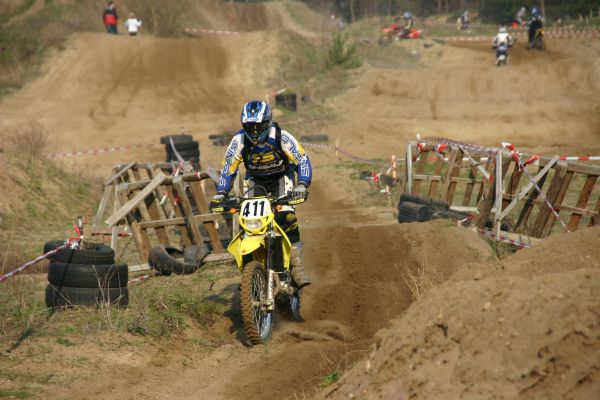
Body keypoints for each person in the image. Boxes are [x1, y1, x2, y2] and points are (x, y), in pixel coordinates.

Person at [210, 100, 313, 288]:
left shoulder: (281, 136)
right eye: (251, 127)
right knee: (249, 223)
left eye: (259, 126)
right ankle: (251, 273)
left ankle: (297, 267)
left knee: (286, 217)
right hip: (256, 182)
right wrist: (221, 193)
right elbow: (227, 169)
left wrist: (302, 184)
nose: (255, 131)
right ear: (244, 125)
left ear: (268, 122)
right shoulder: (239, 141)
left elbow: (302, 160)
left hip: (281, 179)